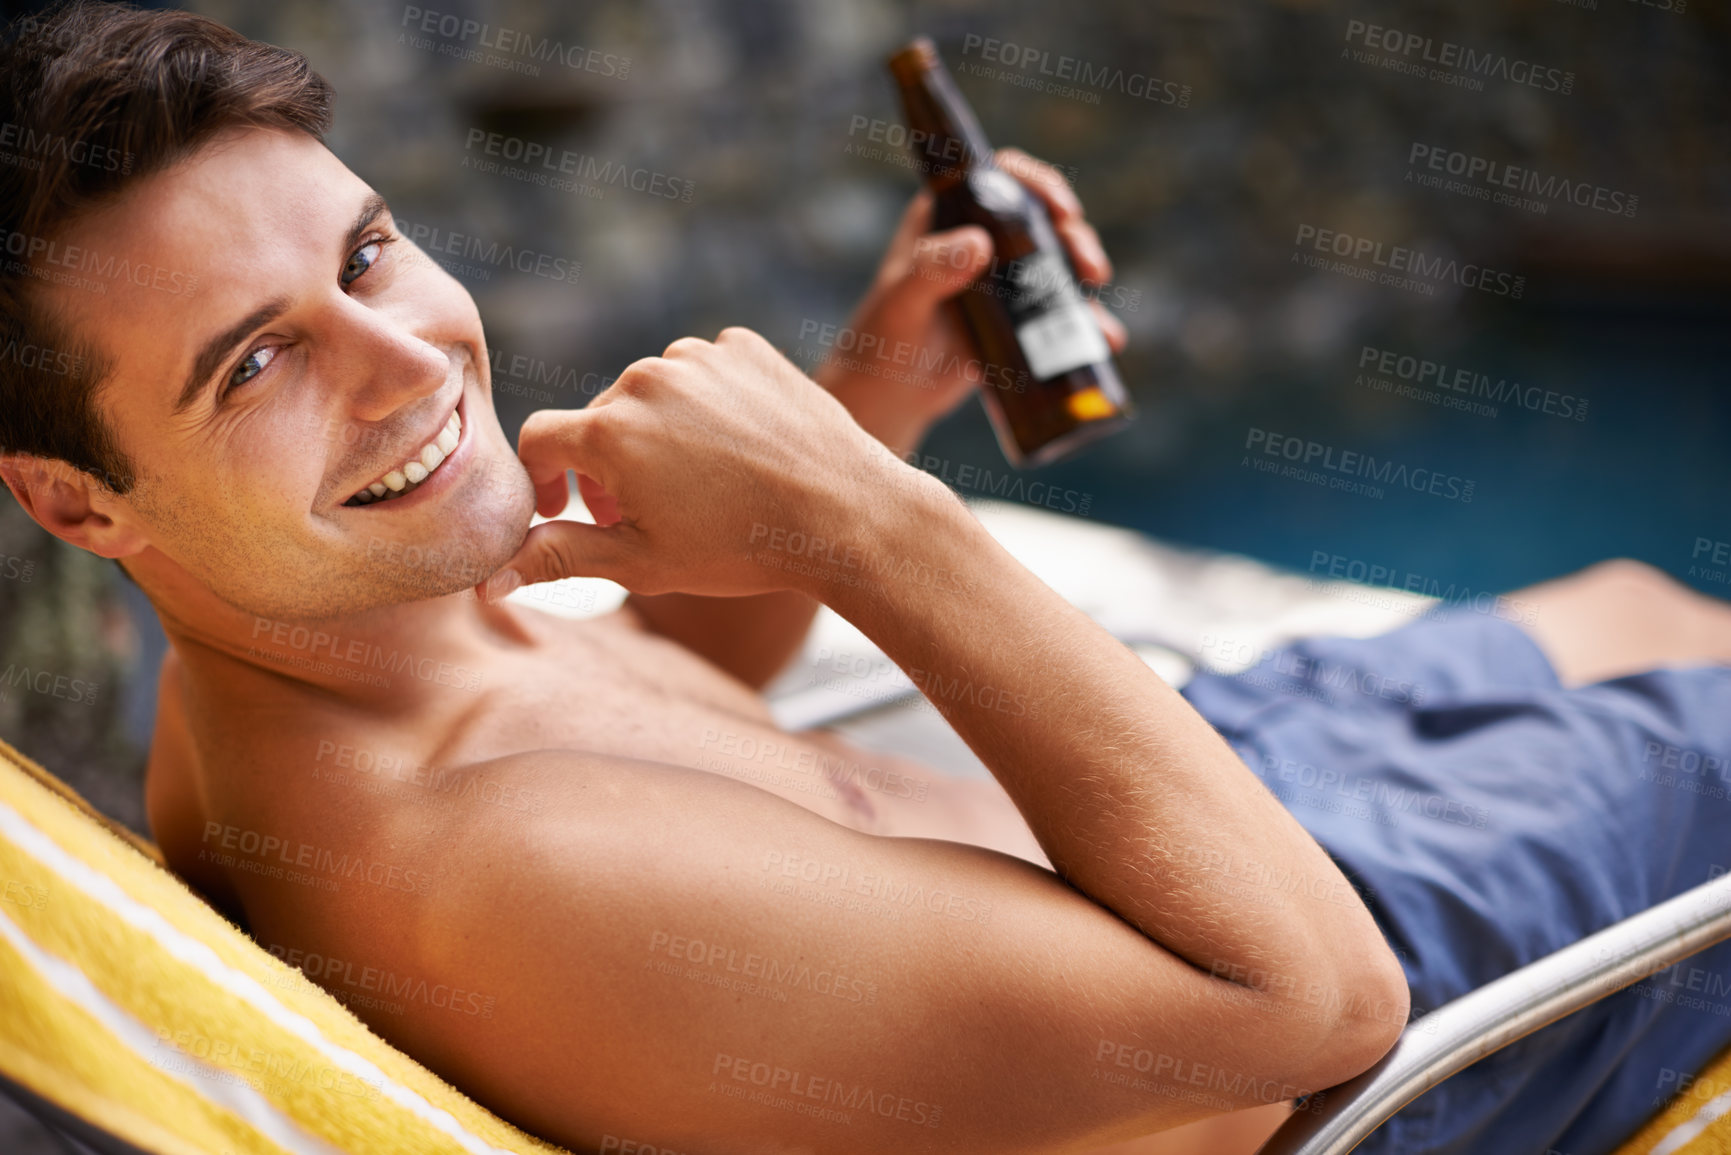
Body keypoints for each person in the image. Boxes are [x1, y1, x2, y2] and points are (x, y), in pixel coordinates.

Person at [1, 6, 1727, 1155]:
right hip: (1360, 986)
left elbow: (671, 716)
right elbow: (1314, 1013)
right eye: (253, 365)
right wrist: (871, 517)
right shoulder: (492, 875)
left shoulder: (330, 642)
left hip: (1203, 808)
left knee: (1648, 602)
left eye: (369, 251)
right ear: (78, 505)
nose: (407, 364)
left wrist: (874, 393)